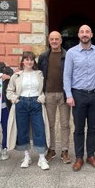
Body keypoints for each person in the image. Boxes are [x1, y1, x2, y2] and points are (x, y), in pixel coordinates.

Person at [63, 24, 95, 172]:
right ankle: (79, 157)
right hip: (78, 95)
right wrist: (69, 95)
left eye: (87, 32)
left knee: (93, 128)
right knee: (79, 128)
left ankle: (90, 155)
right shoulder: (71, 53)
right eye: (82, 32)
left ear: (91, 35)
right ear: (78, 35)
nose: (84, 34)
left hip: (94, 94)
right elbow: (67, 75)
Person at [6, 51, 50, 170]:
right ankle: (26, 156)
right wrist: (15, 100)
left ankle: (41, 157)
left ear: (34, 61)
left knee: (39, 129)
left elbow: (45, 89)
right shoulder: (17, 76)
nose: (29, 61)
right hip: (21, 104)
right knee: (22, 130)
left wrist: (42, 98)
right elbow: (9, 91)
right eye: (27, 59)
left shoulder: (39, 74)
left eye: (31, 59)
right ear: (23, 61)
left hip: (36, 103)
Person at [38, 31, 71, 164]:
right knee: (50, 124)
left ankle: (65, 150)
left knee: (65, 124)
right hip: (49, 93)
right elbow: (37, 72)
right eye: (52, 39)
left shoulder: (68, 55)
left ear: (61, 40)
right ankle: (51, 149)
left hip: (64, 94)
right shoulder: (43, 56)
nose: (54, 41)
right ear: (49, 40)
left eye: (57, 39)